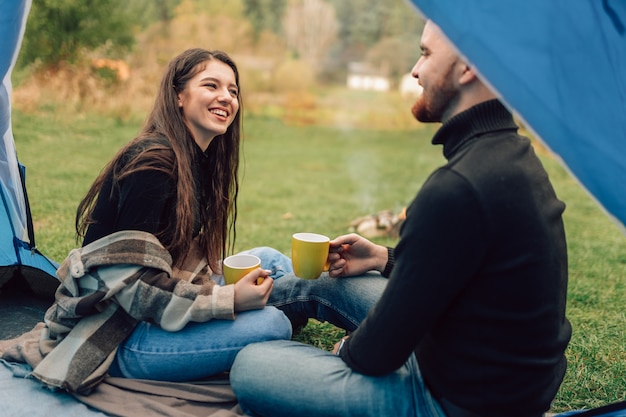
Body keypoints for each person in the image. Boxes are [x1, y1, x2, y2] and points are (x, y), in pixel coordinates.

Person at [230, 20, 572, 417]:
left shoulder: (459, 186)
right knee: (329, 282)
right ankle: (242, 300)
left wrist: (349, 349)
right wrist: (383, 259)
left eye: (426, 54)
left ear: (467, 68)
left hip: (459, 401)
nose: (415, 70)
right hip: (503, 378)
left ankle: (249, 324)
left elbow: (376, 356)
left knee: (251, 367)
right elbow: (458, 270)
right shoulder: (510, 156)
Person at [65, 48, 292, 382]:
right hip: (118, 334)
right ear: (178, 96)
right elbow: (131, 288)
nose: (226, 97)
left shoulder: (197, 158)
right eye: (211, 86)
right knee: (273, 323)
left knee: (271, 260)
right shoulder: (152, 164)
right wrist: (226, 299)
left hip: (167, 297)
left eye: (233, 90)